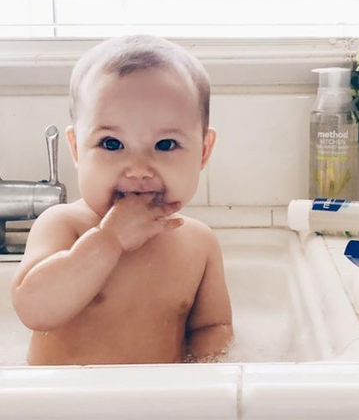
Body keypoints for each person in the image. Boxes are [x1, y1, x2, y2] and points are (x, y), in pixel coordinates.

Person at [10, 35, 233, 365]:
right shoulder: (63, 226)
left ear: (203, 151)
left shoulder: (199, 244)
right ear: (76, 149)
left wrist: (203, 381)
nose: (139, 169)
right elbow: (33, 309)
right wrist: (108, 240)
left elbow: (213, 327)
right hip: (63, 408)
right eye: (112, 144)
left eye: (166, 144)